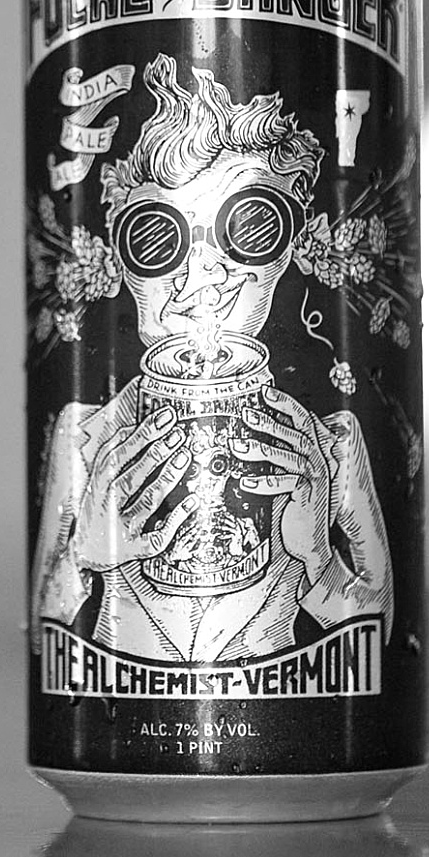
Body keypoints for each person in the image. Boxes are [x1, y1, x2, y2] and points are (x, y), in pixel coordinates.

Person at [29, 58, 392, 669]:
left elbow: (381, 638)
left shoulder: (332, 448)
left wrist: (317, 560)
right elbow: (46, 637)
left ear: (285, 262)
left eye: (250, 230)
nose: (204, 279)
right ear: (121, 261)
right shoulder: (82, 439)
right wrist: (87, 554)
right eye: (157, 240)